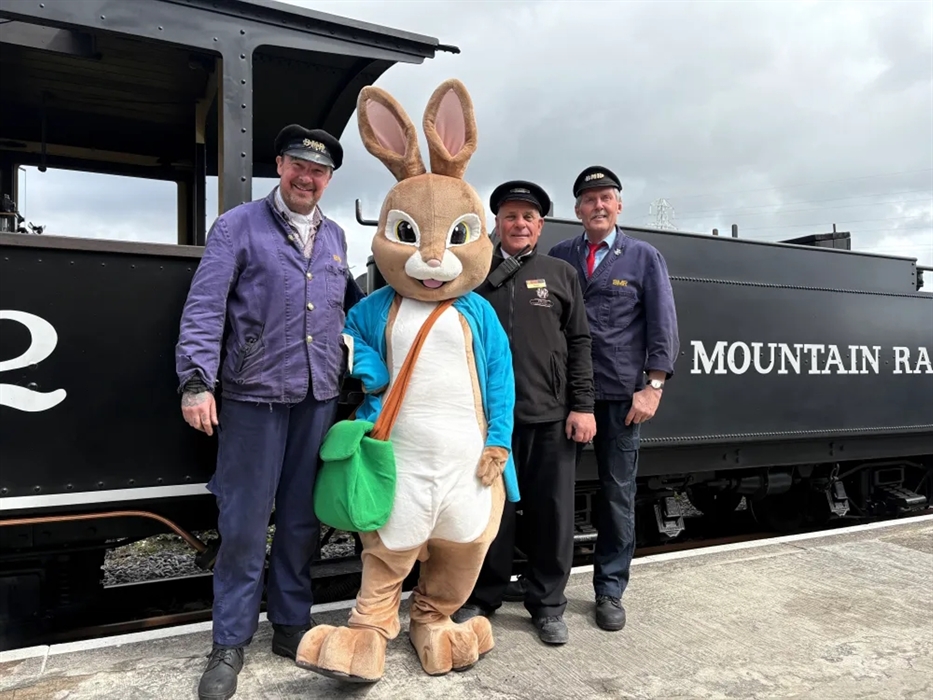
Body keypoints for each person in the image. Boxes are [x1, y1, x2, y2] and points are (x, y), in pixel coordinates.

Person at [174, 124, 364, 700]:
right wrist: (195, 382)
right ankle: (230, 640)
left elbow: (352, 309)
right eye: (299, 167)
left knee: (303, 522)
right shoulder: (237, 226)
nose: (308, 178)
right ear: (281, 166)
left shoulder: (334, 237)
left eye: (320, 172)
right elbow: (205, 307)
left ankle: (290, 625)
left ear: (329, 179)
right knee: (243, 523)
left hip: (317, 399)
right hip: (254, 397)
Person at [453, 180, 596, 645]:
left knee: (551, 513)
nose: (519, 224)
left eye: (528, 217)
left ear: (540, 225)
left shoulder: (560, 274)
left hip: (549, 417)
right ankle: (484, 595)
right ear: (496, 222)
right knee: (491, 513)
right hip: (488, 420)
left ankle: (548, 603)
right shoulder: (472, 273)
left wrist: (582, 405)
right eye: (511, 216)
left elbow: (579, 343)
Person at [548, 165, 679, 633]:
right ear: (578, 209)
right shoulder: (560, 255)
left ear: (618, 205)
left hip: (620, 397)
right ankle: (547, 589)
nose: (598, 206)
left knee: (617, 496)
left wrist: (654, 386)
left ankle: (609, 590)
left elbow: (663, 326)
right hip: (563, 395)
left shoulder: (643, 257)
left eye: (606, 198)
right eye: (589, 199)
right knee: (553, 496)